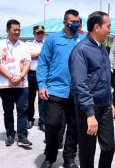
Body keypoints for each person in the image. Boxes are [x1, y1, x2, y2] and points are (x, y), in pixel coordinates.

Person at [37, 9, 84, 168]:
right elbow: (43, 63)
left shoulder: (83, 40)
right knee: (53, 124)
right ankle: (50, 157)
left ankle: (69, 158)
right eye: (73, 21)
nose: (76, 24)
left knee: (75, 126)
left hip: (76, 92)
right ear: (65, 22)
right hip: (55, 89)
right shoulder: (52, 40)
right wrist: (42, 84)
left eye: (78, 21)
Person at [69, 11, 115, 168]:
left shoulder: (102, 47)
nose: (110, 30)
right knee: (88, 151)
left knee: (109, 147)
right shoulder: (80, 50)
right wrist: (89, 114)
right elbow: (80, 84)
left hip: (105, 105)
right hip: (88, 107)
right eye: (108, 26)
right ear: (97, 27)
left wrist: (110, 102)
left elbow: (105, 78)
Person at [0, 19, 32, 147]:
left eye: (18, 30)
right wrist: (11, 77)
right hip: (6, 85)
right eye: (14, 29)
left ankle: (22, 136)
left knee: (23, 110)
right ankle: (10, 134)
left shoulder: (24, 45)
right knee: (8, 110)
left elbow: (28, 62)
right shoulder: (0, 45)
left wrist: (20, 76)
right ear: (7, 31)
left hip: (22, 84)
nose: (17, 32)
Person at [25, 25, 46, 130]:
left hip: (44, 74)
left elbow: (48, 56)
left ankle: (42, 121)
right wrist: (40, 54)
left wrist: (35, 55)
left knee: (43, 98)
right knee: (30, 98)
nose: (40, 35)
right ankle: (30, 119)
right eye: (37, 33)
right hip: (31, 74)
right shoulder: (28, 44)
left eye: (41, 33)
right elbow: (26, 56)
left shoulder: (47, 44)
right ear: (34, 34)